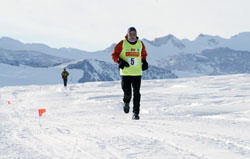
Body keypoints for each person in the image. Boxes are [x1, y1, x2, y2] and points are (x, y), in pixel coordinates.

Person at [111, 27, 148, 120]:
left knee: (137, 93)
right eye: (130, 34)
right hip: (126, 73)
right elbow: (114, 55)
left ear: (136, 34)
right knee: (128, 93)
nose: (132, 36)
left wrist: (144, 62)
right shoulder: (122, 43)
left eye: (134, 34)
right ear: (127, 34)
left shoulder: (140, 44)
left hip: (137, 73)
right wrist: (120, 61)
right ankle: (126, 102)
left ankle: (136, 113)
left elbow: (143, 55)